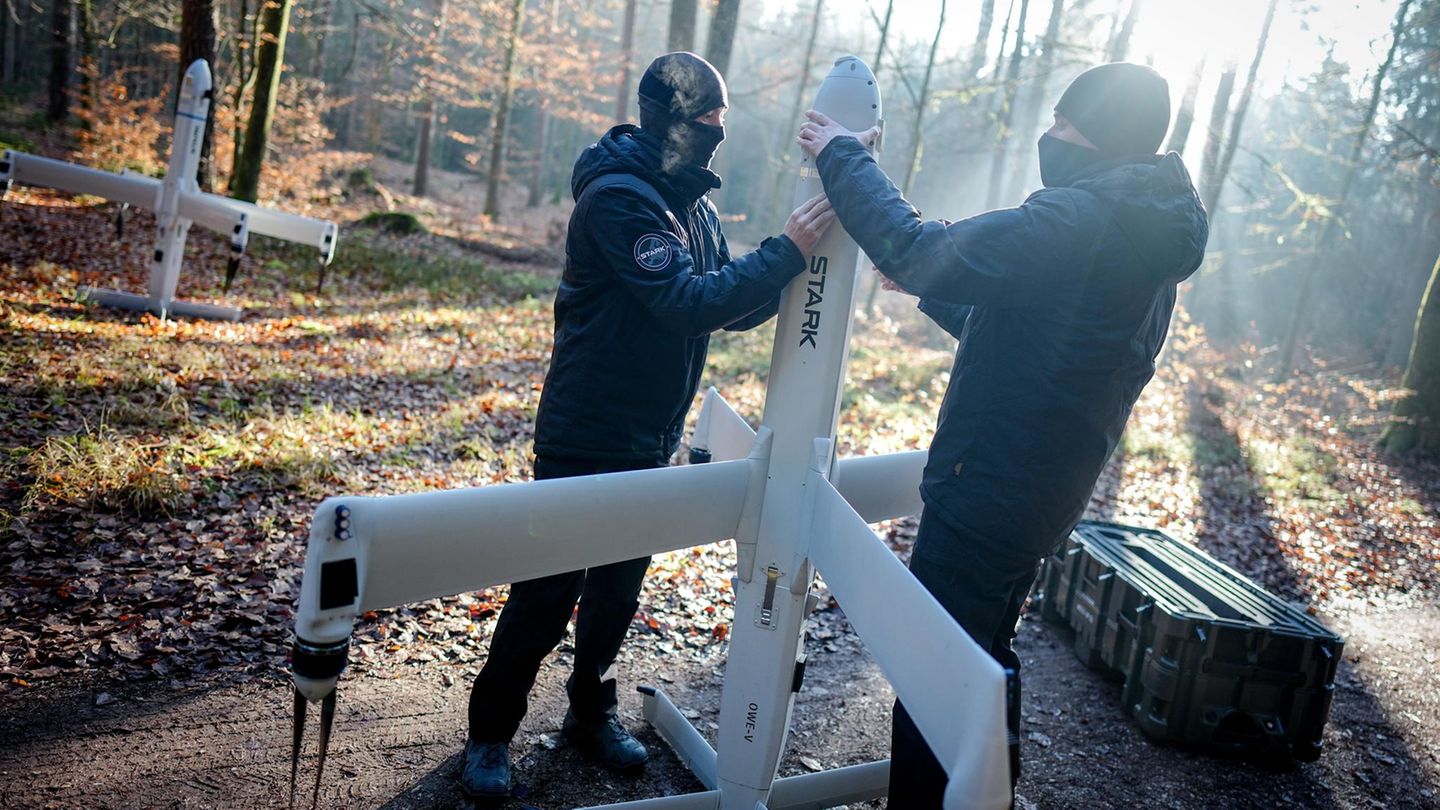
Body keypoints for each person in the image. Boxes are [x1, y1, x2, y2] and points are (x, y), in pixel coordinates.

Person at [796, 62, 1209, 804]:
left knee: (935, 677)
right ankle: (990, 794)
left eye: (1065, 123)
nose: (1051, 135)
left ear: (1105, 135)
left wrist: (843, 155)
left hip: (987, 490)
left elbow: (917, 246)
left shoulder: (1081, 220)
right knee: (983, 658)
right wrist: (930, 283)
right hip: (1039, 493)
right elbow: (1050, 343)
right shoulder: (1144, 232)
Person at [460, 52, 836, 799]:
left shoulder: (691, 203)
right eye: (708, 120)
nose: (718, 133)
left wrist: (792, 266)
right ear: (670, 119)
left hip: (648, 435)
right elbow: (685, 304)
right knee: (547, 593)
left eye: (724, 121)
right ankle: (490, 734)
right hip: (585, 432)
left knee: (617, 592)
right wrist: (784, 252)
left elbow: (723, 302)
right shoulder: (619, 199)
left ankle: (588, 715)